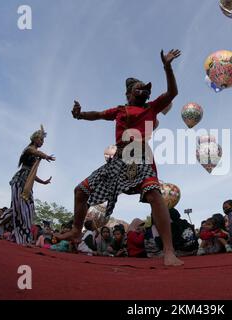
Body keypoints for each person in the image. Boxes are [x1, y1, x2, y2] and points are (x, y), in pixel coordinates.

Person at [56, 49, 183, 266]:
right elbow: (96, 115)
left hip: (140, 155)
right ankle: (77, 230)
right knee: (80, 191)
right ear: (129, 93)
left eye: (144, 87)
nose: (143, 90)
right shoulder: (120, 110)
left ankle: (169, 251)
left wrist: (167, 66)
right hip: (118, 159)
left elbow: (172, 93)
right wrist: (79, 115)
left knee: (153, 195)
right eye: (138, 88)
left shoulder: (152, 108)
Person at [0, 126, 55, 244]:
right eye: (41, 139)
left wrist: (43, 182)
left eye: (43, 140)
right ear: (35, 138)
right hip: (19, 182)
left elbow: (32, 174)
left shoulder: (35, 154)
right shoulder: (29, 149)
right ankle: (23, 239)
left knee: (21, 209)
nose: (42, 142)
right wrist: (45, 156)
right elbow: (36, 152)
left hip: (27, 184)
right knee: (23, 209)